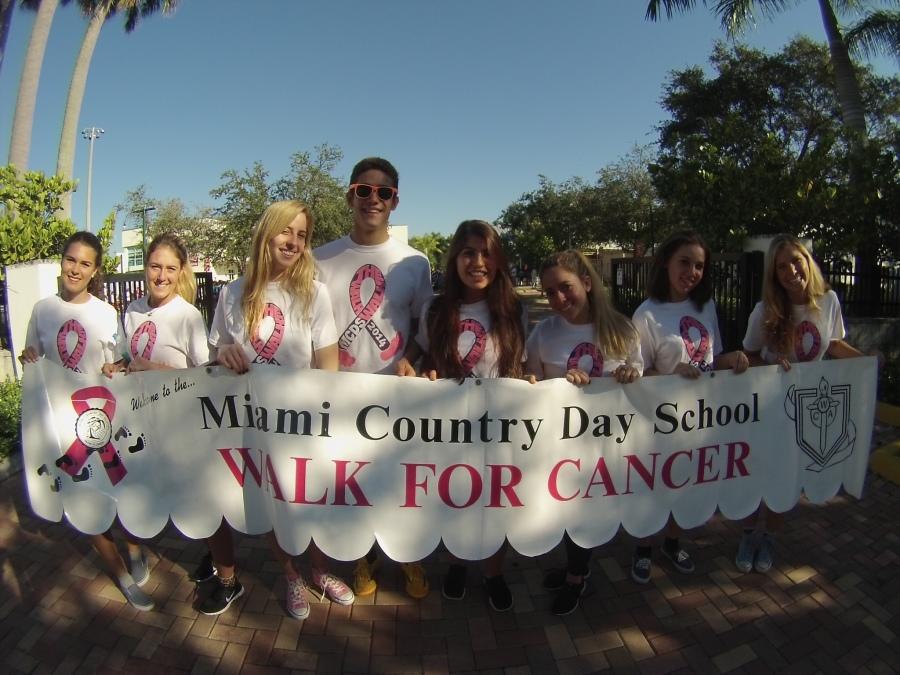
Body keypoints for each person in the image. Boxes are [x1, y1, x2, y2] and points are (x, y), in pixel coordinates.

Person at [196, 200, 355, 619]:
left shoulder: (314, 293)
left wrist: (323, 415)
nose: (294, 242)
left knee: (313, 500)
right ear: (267, 233)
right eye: (287, 231)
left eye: (302, 235)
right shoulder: (233, 294)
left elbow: (328, 363)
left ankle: (319, 571)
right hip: (254, 425)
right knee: (273, 502)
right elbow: (216, 359)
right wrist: (223, 353)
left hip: (304, 422)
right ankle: (291, 576)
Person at [315, 157, 433, 599]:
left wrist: (412, 360)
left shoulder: (413, 262)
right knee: (357, 485)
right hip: (341, 399)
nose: (374, 199)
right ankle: (364, 557)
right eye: (364, 190)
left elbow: (423, 329)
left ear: (395, 201)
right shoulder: (320, 257)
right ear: (351, 195)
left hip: (398, 398)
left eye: (384, 192)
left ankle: (410, 558)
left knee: (404, 484)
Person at [20, 231, 154, 611]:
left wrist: (117, 367)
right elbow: (33, 360)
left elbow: (120, 363)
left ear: (95, 270)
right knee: (83, 498)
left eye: (84, 263)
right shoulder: (42, 310)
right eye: (70, 259)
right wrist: (29, 360)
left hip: (104, 419)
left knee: (120, 488)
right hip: (63, 425)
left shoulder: (105, 313)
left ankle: (134, 544)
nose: (75, 268)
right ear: (62, 261)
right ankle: (124, 578)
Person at [736, 234, 871, 573]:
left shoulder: (828, 302)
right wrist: (770, 367)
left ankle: (770, 538)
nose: (790, 270)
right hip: (767, 408)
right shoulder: (765, 311)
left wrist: (867, 363)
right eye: (781, 266)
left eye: (795, 261)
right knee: (759, 473)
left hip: (807, 411)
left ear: (807, 262)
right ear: (774, 274)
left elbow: (836, 345)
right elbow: (747, 356)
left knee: (786, 477)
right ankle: (749, 534)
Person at [412, 219, 526, 612]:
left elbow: (520, 367)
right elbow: (425, 355)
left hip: (499, 427)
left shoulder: (513, 310)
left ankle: (494, 571)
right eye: (468, 253)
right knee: (453, 497)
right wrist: (417, 369)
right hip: (448, 428)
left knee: (496, 501)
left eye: (486, 253)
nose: (478, 262)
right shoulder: (436, 308)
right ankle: (456, 564)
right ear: (455, 259)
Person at [527, 250, 643, 615]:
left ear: (587, 283)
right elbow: (532, 384)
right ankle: (575, 567)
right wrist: (547, 383)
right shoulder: (543, 333)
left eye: (566, 288)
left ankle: (577, 577)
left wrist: (629, 375)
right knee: (565, 512)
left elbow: (640, 378)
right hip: (558, 446)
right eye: (550, 292)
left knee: (585, 512)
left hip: (606, 446)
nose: (559, 299)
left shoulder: (622, 329)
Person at [630, 230, 749, 584]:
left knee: (685, 483)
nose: (692, 272)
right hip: (660, 420)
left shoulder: (706, 306)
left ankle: (672, 541)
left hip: (702, 418)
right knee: (653, 485)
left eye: (699, 265)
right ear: (666, 262)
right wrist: (669, 373)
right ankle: (643, 548)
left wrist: (733, 359)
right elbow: (638, 372)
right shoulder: (647, 314)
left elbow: (711, 360)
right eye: (685, 262)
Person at [115, 233, 210, 374]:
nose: (162, 277)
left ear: (180, 272)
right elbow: (132, 360)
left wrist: (155, 370)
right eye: (155, 267)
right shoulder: (133, 310)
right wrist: (119, 367)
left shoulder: (189, 316)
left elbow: (209, 375)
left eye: (171, 269)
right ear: (146, 267)